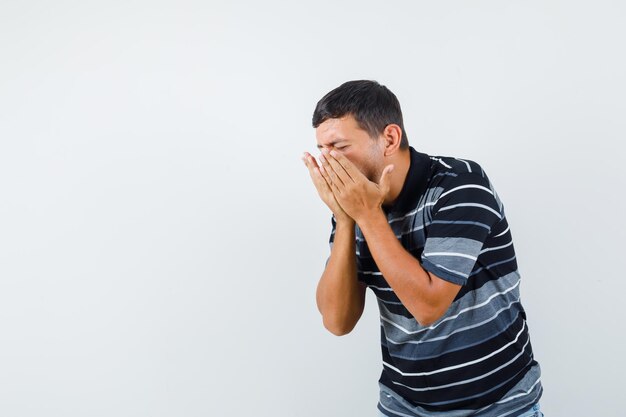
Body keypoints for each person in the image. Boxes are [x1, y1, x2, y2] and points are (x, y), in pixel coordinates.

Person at [301, 80, 543, 417]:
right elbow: (337, 320)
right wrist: (345, 220)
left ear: (389, 138)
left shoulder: (460, 185)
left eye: (338, 146)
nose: (328, 162)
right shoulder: (356, 207)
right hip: (404, 407)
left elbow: (428, 307)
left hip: (499, 405)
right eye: (321, 148)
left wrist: (368, 215)